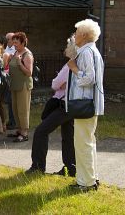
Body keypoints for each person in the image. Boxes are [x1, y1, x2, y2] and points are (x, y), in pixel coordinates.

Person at [25, 36, 77, 176]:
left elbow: (54, 84)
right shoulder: (77, 63)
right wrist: (63, 85)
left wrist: (61, 84)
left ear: (72, 48)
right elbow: (61, 84)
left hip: (64, 104)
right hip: (72, 104)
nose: (65, 49)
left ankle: (37, 166)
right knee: (68, 136)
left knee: (41, 131)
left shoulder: (69, 65)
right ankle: (70, 168)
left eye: (67, 46)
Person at [67, 19, 104, 191]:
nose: (74, 36)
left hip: (84, 104)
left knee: (82, 144)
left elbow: (90, 78)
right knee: (87, 142)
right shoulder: (90, 50)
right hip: (89, 103)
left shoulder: (87, 52)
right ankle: (91, 178)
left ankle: (85, 183)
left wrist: (74, 68)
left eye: (76, 32)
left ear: (83, 35)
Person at [7, 32, 34, 142]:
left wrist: (19, 63)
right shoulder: (15, 53)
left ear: (23, 42)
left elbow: (29, 73)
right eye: (13, 42)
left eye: (16, 42)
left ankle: (24, 133)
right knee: (15, 109)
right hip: (14, 84)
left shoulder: (27, 55)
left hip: (23, 85)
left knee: (23, 109)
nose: (14, 44)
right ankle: (19, 130)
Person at [2, 32, 16, 130]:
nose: (8, 41)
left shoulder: (16, 49)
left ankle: (13, 121)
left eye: (9, 39)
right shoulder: (4, 48)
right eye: (7, 39)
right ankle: (7, 121)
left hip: (12, 77)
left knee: (11, 101)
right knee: (5, 101)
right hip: (5, 77)